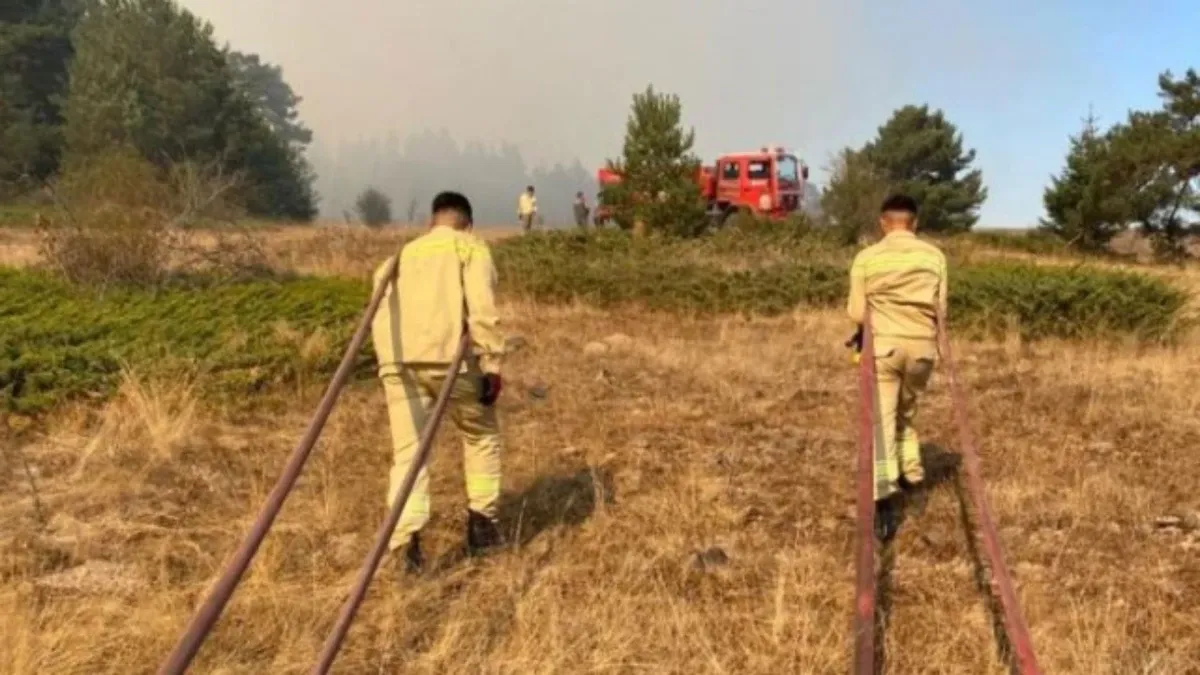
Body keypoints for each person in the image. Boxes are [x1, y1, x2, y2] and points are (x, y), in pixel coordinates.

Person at [370, 191, 507, 573]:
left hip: (399, 363)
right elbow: (482, 307)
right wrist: (492, 365)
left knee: (408, 455)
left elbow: (379, 310)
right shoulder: (470, 248)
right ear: (468, 223)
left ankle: (404, 544)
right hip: (452, 360)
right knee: (480, 434)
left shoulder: (398, 258)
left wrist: (389, 365)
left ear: (432, 222)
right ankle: (482, 524)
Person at [846, 193, 948, 541]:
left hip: (884, 348)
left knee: (882, 422)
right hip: (922, 349)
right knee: (907, 414)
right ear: (915, 223)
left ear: (882, 223)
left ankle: (884, 499)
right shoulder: (934, 257)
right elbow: (941, 310)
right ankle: (914, 479)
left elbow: (857, 313)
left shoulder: (867, 258)